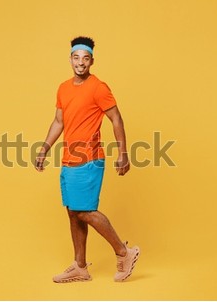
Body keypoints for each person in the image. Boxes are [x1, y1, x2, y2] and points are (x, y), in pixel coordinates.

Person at [35, 36, 140, 283]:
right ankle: (80, 266)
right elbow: (59, 121)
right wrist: (45, 148)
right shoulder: (63, 88)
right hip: (69, 158)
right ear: (70, 59)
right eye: (76, 57)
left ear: (92, 61)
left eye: (85, 58)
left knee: (84, 211)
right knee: (73, 212)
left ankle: (125, 252)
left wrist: (123, 153)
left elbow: (116, 119)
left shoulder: (99, 87)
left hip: (89, 159)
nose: (80, 62)